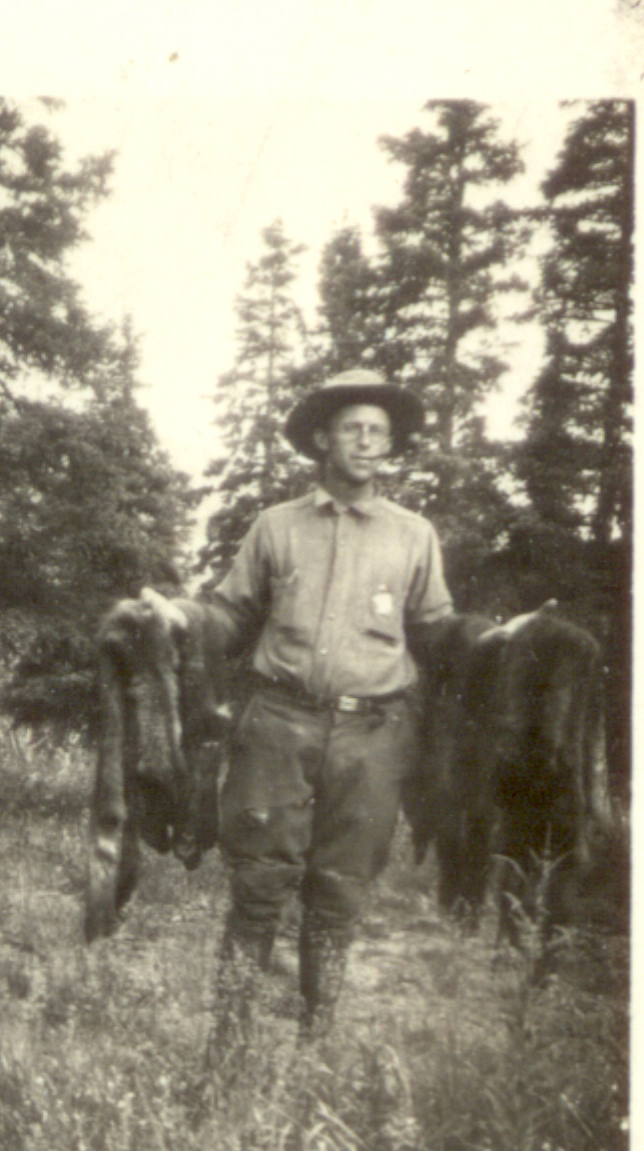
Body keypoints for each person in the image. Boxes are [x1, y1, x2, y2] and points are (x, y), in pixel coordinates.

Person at [143, 370, 453, 1065]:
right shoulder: (276, 527)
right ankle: (227, 1051)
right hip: (279, 726)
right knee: (257, 887)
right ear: (321, 440)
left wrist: (493, 639)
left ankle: (314, 1048)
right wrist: (182, 616)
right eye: (352, 429)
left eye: (378, 431)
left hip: (373, 737)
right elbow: (228, 615)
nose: (367, 441)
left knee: (338, 894)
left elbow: (436, 629)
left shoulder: (413, 535)